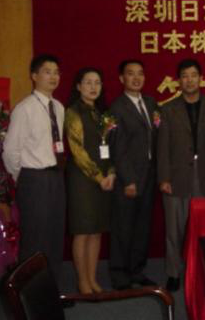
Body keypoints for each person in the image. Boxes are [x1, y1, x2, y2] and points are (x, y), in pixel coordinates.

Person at [2, 54, 65, 282]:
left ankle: (51, 286)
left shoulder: (58, 107)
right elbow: (10, 151)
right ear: (34, 76)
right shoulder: (25, 108)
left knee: (55, 234)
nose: (53, 76)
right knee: (35, 237)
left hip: (56, 176)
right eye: (47, 72)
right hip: (33, 178)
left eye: (56, 72)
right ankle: (30, 290)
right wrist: (24, 176)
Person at [157, 59, 205, 292]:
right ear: (178, 81)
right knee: (175, 229)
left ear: (201, 78)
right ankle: (173, 272)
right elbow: (162, 147)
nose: (189, 80)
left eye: (193, 75)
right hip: (177, 176)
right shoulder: (168, 109)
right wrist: (164, 178)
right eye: (185, 76)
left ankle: (204, 270)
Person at [65, 67, 115, 294]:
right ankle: (82, 281)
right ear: (78, 86)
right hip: (82, 179)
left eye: (97, 82)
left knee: (97, 231)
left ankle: (92, 278)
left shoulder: (104, 114)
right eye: (88, 82)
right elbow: (77, 151)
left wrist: (111, 172)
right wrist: (99, 177)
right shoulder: (73, 112)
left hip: (104, 179)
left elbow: (111, 146)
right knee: (83, 230)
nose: (93, 87)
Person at [109, 59, 158, 290]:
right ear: (122, 78)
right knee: (123, 228)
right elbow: (117, 147)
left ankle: (137, 270)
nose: (136, 78)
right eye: (130, 74)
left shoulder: (150, 103)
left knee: (142, 227)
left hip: (149, 176)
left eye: (140, 73)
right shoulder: (116, 108)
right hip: (128, 179)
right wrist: (128, 179)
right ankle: (120, 275)